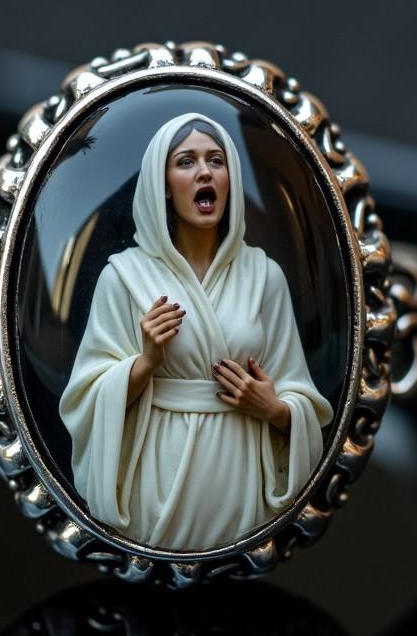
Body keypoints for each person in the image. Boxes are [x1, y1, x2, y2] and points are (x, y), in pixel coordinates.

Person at [59, 112, 332, 551]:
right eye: (186, 161)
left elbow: (299, 392)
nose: (204, 171)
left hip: (240, 466)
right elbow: (84, 399)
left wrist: (274, 410)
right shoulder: (123, 278)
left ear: (230, 179)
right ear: (162, 184)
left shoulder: (265, 277)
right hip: (157, 467)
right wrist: (145, 362)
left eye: (217, 161)